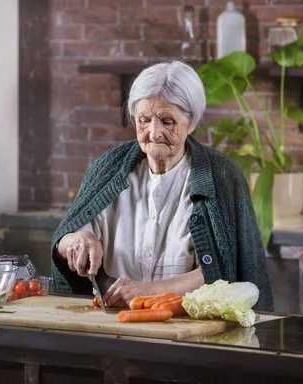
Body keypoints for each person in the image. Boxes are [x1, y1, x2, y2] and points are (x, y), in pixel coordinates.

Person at [50, 60, 274, 311]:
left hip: (189, 327)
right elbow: (64, 239)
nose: (154, 133)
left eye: (167, 122)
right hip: (111, 321)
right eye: (144, 120)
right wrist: (78, 240)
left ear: (191, 122)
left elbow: (218, 272)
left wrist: (144, 293)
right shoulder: (109, 167)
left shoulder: (220, 175)